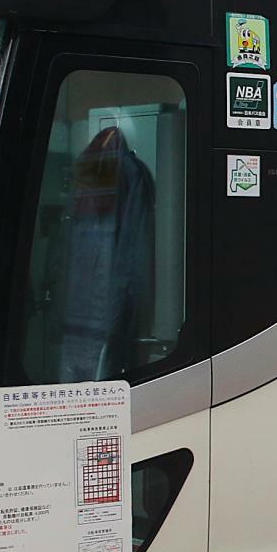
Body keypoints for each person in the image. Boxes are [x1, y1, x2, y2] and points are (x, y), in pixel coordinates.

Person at [56, 123, 156, 381]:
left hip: (74, 313)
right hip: (108, 311)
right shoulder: (133, 173)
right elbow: (135, 254)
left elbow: (64, 250)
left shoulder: (85, 173)